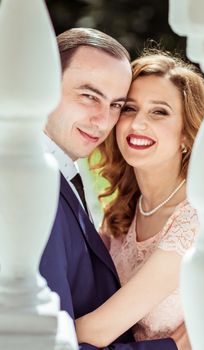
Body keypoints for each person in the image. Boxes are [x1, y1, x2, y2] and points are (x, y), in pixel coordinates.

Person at [40, 28, 184, 350]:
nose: (103, 120)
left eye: (117, 104)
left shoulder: (70, 178)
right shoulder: (35, 186)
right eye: (89, 96)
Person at [75, 51, 204, 347]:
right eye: (129, 109)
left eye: (159, 112)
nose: (137, 124)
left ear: (187, 134)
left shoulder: (197, 220)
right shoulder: (125, 207)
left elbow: (99, 330)